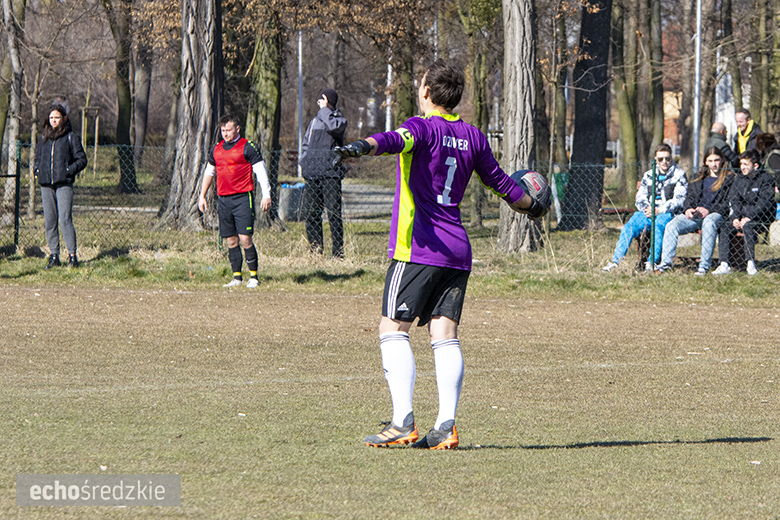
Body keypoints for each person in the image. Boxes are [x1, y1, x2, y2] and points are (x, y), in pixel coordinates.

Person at [333, 60, 546, 450]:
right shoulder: (474, 137)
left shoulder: (421, 127)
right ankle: (445, 425)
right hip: (458, 251)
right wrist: (533, 204)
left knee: (392, 330)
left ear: (427, 91)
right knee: (444, 335)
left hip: (419, 247)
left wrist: (359, 147)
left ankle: (401, 422)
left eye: (420, 84)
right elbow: (502, 184)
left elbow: (391, 140)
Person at [198, 115, 272, 288]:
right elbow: (209, 173)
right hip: (223, 199)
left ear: (237, 129)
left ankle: (253, 277)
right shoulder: (216, 149)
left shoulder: (247, 147)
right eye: (223, 130)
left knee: (245, 238)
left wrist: (266, 194)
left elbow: (260, 171)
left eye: (228, 130)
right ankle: (237, 277)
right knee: (231, 240)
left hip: (242, 198)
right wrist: (202, 195)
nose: (225, 134)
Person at [602, 143, 688, 272]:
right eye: (660, 159)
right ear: (655, 160)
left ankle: (651, 262)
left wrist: (660, 210)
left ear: (671, 158)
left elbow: (679, 199)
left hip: (667, 213)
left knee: (658, 226)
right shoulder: (649, 175)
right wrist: (647, 209)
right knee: (629, 226)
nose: (664, 162)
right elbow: (640, 196)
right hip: (647, 212)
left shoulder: (679, 175)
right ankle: (616, 261)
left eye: (667, 159)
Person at [657, 147, 733, 275]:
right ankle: (666, 263)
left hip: (716, 215)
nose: (714, 164)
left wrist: (708, 210)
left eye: (717, 160)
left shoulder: (729, 179)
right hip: (696, 215)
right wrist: (688, 209)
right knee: (672, 225)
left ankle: (703, 266)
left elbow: (728, 204)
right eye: (710, 161)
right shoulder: (699, 178)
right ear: (706, 162)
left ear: (722, 160)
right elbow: (690, 197)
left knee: (708, 222)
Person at [34, 104, 88, 268]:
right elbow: (38, 158)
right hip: (46, 185)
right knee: (50, 221)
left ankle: (72, 257)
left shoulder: (71, 137)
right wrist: (37, 170)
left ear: (63, 119)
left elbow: (82, 160)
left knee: (65, 219)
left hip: (64, 184)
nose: (53, 120)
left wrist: (68, 170)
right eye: (51, 118)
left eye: (56, 117)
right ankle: (54, 256)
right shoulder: (42, 139)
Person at [300, 88, 348, 258]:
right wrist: (304, 163)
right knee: (312, 214)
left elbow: (332, 126)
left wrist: (325, 110)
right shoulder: (314, 121)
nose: (319, 102)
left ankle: (337, 253)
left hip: (330, 174)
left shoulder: (339, 120)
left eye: (323, 99)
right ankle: (315, 251)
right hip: (313, 174)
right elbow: (305, 144)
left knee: (333, 214)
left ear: (330, 102)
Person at [713, 150, 776, 276]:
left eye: (746, 164)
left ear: (755, 165)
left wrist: (749, 217)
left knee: (748, 226)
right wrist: (736, 217)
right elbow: (734, 199)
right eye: (741, 164)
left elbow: (764, 203)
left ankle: (750, 264)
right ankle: (724, 264)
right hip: (741, 216)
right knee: (724, 226)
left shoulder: (766, 179)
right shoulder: (739, 179)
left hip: (761, 218)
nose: (742, 167)